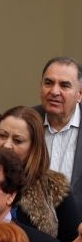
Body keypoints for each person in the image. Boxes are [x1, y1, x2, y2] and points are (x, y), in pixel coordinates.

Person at [0, 106, 81, 242]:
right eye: (2, 136)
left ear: (34, 147)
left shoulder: (54, 186)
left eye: (18, 140)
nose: (6, 145)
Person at [34, 57, 82, 212]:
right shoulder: (24, 122)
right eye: (48, 83)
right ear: (41, 86)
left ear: (80, 94)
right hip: (30, 229)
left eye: (64, 85)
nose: (54, 91)